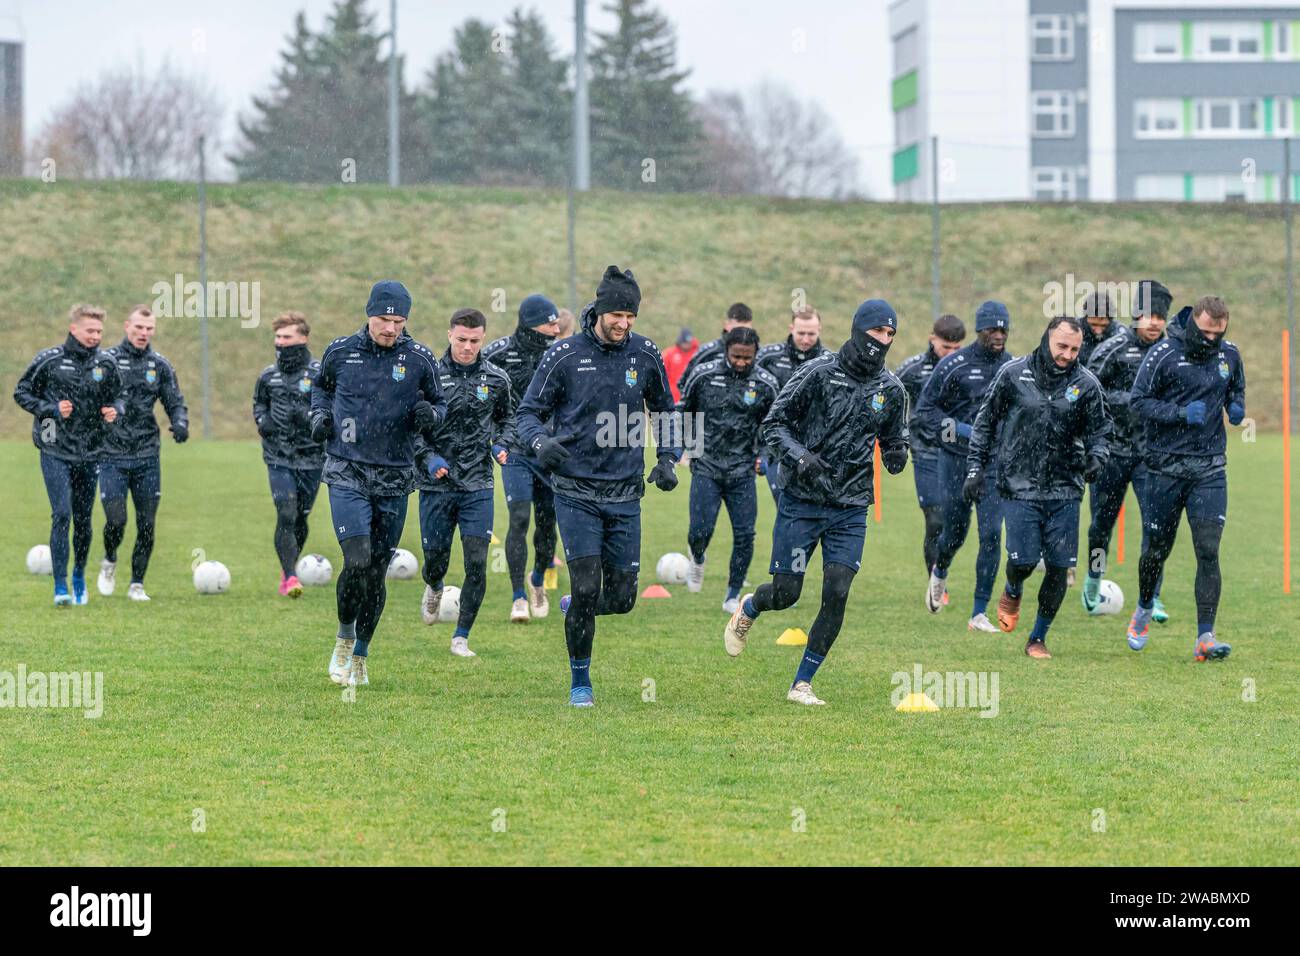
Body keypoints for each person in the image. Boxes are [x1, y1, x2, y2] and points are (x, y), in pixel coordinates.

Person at [722, 300, 909, 705]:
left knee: (838, 589)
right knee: (787, 592)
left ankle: (802, 682)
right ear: (860, 331)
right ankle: (751, 607)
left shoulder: (891, 390)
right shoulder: (817, 373)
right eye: (878, 332)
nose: (884, 341)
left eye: (891, 334)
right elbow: (774, 425)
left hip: (851, 505)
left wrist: (897, 452)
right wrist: (801, 457)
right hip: (802, 502)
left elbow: (896, 436)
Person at [516, 266, 680, 707]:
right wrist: (539, 442)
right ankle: (580, 682)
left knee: (623, 598)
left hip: (626, 492)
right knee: (588, 586)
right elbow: (527, 413)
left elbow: (666, 410)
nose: (623, 323)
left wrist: (668, 457)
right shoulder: (564, 354)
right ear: (600, 311)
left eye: (631, 315)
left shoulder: (645, 354)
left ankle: (578, 606)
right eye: (617, 314)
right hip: (575, 490)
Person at [312, 280, 446, 687]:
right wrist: (318, 416)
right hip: (347, 469)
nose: (391, 328)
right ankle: (343, 639)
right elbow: (321, 388)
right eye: (384, 319)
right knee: (356, 559)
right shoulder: (340, 352)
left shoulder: (420, 358)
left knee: (374, 571)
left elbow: (439, 404)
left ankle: (362, 653)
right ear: (369, 314)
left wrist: (430, 416)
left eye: (399, 321)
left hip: (394, 473)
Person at [967, 317, 1110, 659]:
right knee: (1024, 560)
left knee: (1060, 566)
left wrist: (1097, 457)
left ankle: (1037, 637)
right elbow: (985, 423)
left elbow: (1101, 431)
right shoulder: (1014, 374)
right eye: (1062, 346)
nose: (1067, 355)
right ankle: (1013, 586)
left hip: (1065, 486)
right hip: (1019, 485)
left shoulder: (1086, 384)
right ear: (1047, 338)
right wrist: (975, 468)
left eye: (1075, 349)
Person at [1127, 295, 1244, 662]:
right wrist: (1179, 413)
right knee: (1156, 550)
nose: (1212, 340)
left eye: (1219, 334)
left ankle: (1205, 637)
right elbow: (1138, 402)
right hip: (1165, 469)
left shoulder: (1230, 354)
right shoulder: (1163, 353)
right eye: (1207, 333)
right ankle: (1144, 606)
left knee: (1208, 549)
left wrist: (1236, 406)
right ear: (1195, 324)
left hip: (1209, 469)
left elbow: (1235, 387)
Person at [415, 308, 515, 657]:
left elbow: (508, 421)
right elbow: (411, 429)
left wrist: (502, 444)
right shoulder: (428, 376)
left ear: (482, 338)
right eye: (461, 340)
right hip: (436, 486)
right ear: (449, 335)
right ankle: (434, 584)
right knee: (435, 559)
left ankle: (461, 636)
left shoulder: (497, 379)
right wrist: (429, 459)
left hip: (478, 485)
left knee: (476, 562)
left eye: (474, 340)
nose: (468, 347)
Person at [913, 300, 1014, 631]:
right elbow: (926, 411)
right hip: (955, 459)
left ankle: (979, 613)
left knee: (991, 535)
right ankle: (939, 571)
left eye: (1004, 330)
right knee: (954, 532)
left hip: (993, 463)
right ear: (980, 330)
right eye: (993, 329)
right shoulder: (954, 364)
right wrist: (962, 431)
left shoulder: (1012, 368)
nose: (999, 335)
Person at [14, 304, 123, 606]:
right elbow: (22, 392)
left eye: (100, 331)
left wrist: (116, 410)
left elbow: (119, 395)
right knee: (62, 514)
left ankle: (78, 575)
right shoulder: (49, 360)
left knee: (84, 520)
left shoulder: (106, 363)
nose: (96, 336)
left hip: (90, 452)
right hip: (54, 449)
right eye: (90, 330)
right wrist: (50, 409)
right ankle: (60, 585)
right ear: (74, 329)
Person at [1081, 279, 1169, 618]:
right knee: (1102, 525)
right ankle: (1093, 578)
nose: (1154, 322)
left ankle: (1153, 596)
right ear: (1136, 316)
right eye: (1148, 315)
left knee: (1156, 526)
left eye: (1160, 317)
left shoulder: (1171, 353)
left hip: (1153, 457)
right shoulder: (1112, 349)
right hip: (1112, 454)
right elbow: (1089, 395)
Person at [677, 326, 780, 612]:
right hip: (706, 466)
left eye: (747, 357)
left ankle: (733, 593)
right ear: (727, 351)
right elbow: (683, 410)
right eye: (736, 356)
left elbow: (775, 426)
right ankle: (697, 558)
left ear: (756, 354)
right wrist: (685, 448)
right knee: (700, 530)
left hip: (742, 471)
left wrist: (764, 453)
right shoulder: (704, 375)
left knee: (745, 534)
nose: (741, 362)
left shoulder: (766, 383)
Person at [94, 305, 188, 602]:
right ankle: (109, 559)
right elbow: (88, 396)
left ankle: (137, 583)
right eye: (139, 328)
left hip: (147, 453)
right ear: (126, 326)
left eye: (149, 329)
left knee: (146, 522)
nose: (144, 333)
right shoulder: (106, 361)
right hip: (111, 453)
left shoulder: (159, 365)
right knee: (116, 520)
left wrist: (180, 422)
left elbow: (174, 400)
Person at [483, 294, 562, 623]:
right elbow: (477, 390)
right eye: (551, 322)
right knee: (518, 519)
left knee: (548, 525)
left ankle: (538, 580)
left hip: (550, 450)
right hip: (514, 450)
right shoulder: (498, 353)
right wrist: (491, 437)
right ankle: (518, 596)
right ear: (532, 325)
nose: (557, 328)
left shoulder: (560, 353)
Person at [253, 311, 325, 598]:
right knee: (286, 511)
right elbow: (258, 404)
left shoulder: (320, 373)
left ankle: (289, 566)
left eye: (287, 337)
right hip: (278, 456)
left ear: (303, 338)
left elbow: (330, 409)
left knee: (300, 516)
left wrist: (309, 419)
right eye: (278, 337)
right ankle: (291, 576)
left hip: (312, 457)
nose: (281, 343)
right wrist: (263, 422)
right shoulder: (268, 375)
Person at [895, 313, 966, 576]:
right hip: (925, 453)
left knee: (955, 522)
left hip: (958, 453)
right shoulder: (913, 369)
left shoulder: (968, 368)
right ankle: (935, 579)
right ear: (932, 338)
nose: (950, 354)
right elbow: (890, 397)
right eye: (945, 347)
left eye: (956, 348)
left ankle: (943, 565)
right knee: (934, 519)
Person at [755, 306, 829, 499]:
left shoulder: (830, 362)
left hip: (817, 453)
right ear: (791, 328)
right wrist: (758, 448)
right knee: (785, 507)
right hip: (777, 448)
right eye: (801, 333)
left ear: (819, 330)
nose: (805, 339)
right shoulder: (768, 358)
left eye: (811, 334)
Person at [675, 302, 754, 396]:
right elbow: (684, 384)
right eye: (738, 329)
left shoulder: (758, 355)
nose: (742, 334)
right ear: (727, 325)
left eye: (746, 330)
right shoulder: (707, 352)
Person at [1078, 290, 1126, 366]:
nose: (1098, 331)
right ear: (1085, 318)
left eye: (1104, 326)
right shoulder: (1073, 330)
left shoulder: (1121, 335)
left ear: (1111, 321)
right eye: (1093, 325)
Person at [661, 327, 699, 404]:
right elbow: (661, 375)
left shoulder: (698, 354)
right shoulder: (669, 354)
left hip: (692, 398)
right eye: (685, 342)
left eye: (689, 343)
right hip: (673, 398)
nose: (687, 345)